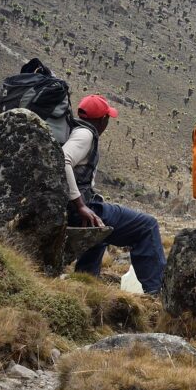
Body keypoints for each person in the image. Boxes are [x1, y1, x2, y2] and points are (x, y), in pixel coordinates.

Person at [63, 94, 166, 294]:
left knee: (101, 229)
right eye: (107, 118)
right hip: (79, 209)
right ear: (102, 120)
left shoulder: (74, 130)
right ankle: (156, 294)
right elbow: (63, 160)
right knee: (146, 225)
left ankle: (85, 284)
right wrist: (80, 205)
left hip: (74, 207)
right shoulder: (85, 135)